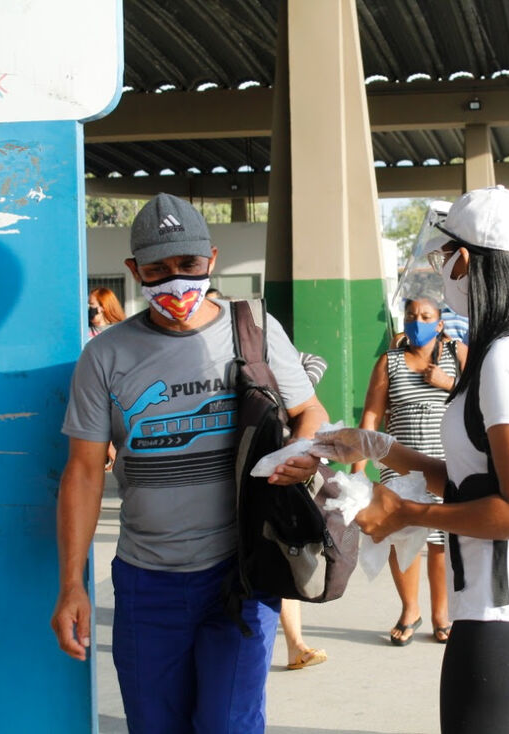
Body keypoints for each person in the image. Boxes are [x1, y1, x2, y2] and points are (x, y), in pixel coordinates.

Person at [314, 186, 509, 734]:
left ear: (466, 261)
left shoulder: (505, 357)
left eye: (445, 257)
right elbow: (477, 479)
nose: (441, 270)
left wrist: (406, 514)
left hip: (506, 620)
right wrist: (378, 447)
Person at [51, 193, 328, 734]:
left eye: (188, 265)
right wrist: (70, 584)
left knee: (230, 724)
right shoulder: (104, 355)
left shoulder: (256, 330)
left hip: (242, 574)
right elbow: (83, 471)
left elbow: (309, 411)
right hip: (145, 585)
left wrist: (302, 455)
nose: (175, 282)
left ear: (212, 259)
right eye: (157, 270)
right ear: (134, 271)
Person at [355, 296, 466, 645]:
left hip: (444, 462)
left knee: (440, 541)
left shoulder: (457, 355)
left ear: (440, 324)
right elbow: (372, 416)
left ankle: (441, 614)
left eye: (426, 316)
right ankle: (409, 610)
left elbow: (481, 395)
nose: (417, 321)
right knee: (401, 538)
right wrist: (359, 470)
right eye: (411, 315)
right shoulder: (388, 362)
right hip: (399, 464)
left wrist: (449, 384)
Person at [281, 349, 331, 671]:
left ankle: (295, 645)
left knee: (288, 553)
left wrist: (294, 392)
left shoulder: (266, 345)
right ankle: (294, 645)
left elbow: (317, 360)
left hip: (283, 466)